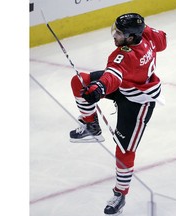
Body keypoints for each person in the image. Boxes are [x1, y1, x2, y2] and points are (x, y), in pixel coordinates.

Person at [69, 13, 167, 215]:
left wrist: (99, 88)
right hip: (126, 86)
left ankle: (120, 194)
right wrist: (143, 25)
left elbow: (113, 74)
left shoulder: (123, 55)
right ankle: (91, 125)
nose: (114, 36)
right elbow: (163, 41)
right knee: (80, 81)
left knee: (125, 151)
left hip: (140, 102)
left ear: (131, 38)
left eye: (119, 33)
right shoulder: (146, 34)